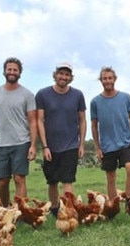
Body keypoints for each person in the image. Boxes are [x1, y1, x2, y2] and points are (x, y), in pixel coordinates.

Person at [0, 57, 38, 207]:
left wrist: (33, 145)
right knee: (3, 182)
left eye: (15, 70)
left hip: (21, 142)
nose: (12, 72)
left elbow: (33, 121)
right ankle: (5, 210)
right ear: (4, 71)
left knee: (19, 179)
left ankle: (22, 212)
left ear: (20, 73)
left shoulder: (27, 95)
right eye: (9, 69)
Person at [36, 62, 87, 216]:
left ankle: (68, 211)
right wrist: (45, 146)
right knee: (52, 181)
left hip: (71, 144)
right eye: (61, 73)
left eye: (67, 74)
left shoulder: (77, 95)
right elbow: (39, 120)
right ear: (55, 75)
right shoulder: (42, 94)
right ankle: (54, 210)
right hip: (50, 146)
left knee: (67, 180)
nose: (63, 77)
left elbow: (82, 120)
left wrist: (82, 144)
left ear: (71, 77)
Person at [90, 66, 130, 205]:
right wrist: (98, 148)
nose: (107, 81)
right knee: (110, 176)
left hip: (125, 142)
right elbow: (94, 126)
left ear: (115, 79)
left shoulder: (125, 97)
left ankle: (129, 199)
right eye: (104, 78)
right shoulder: (95, 102)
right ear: (101, 80)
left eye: (110, 78)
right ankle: (113, 205)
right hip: (107, 145)